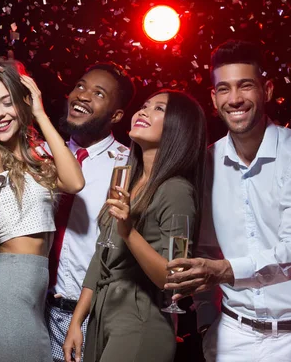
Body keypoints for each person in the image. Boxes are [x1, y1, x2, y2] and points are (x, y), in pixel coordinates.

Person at [165, 40, 291, 361]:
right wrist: (206, 321)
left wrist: (222, 271)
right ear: (214, 98)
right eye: (224, 89)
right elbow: (205, 249)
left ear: (267, 90)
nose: (235, 99)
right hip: (231, 334)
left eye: (246, 86)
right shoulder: (207, 162)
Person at [64, 89, 208, 362]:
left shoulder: (176, 190)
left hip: (140, 318)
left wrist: (128, 231)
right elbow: (100, 257)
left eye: (159, 109)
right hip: (103, 314)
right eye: (144, 105)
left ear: (179, 127)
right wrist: (77, 321)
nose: (143, 111)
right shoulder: (126, 181)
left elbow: (171, 279)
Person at [0, 60, 85, 362]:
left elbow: (75, 181)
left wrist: (39, 113)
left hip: (34, 294)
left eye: (7, 102)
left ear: (23, 102)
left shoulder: (35, 154)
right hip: (6, 293)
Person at [46, 62, 135, 362]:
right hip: (35, 309)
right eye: (80, 86)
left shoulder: (128, 167)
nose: (83, 96)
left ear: (117, 115)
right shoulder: (43, 155)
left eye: (98, 93)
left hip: (90, 317)